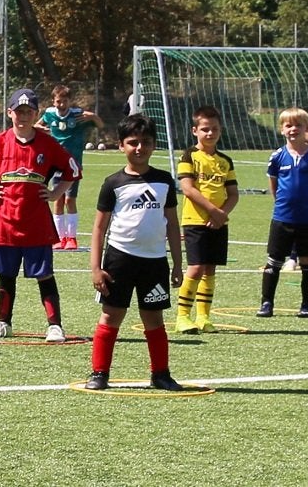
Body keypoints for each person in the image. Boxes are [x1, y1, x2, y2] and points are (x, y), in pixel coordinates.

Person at [0, 88, 79, 341]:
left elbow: (72, 170)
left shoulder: (47, 144)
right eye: (19, 112)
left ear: (36, 114)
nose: (23, 116)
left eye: (28, 112)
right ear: (10, 113)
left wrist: (54, 193)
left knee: (44, 274)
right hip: (6, 223)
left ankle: (54, 326)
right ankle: (2, 323)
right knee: (6, 274)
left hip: (37, 224)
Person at [86, 116, 186, 391]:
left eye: (146, 142)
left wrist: (178, 264)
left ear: (154, 145)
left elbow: (172, 224)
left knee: (154, 319)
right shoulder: (113, 183)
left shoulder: (164, 181)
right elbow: (98, 228)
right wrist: (96, 268)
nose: (139, 147)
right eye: (133, 142)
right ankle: (99, 373)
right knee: (111, 315)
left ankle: (161, 374)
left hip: (154, 262)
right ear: (121, 146)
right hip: (120, 259)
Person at [173, 106, 237, 333]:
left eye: (215, 129)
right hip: (195, 221)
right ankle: (182, 317)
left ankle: (203, 316)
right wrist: (214, 211)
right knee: (196, 267)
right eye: (205, 129)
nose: (210, 133)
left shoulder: (225, 161)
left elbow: (233, 194)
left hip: (218, 223)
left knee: (210, 268)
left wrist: (222, 214)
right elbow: (188, 189)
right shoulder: (189, 155)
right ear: (195, 130)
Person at [258, 109, 308, 318]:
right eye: (288, 125)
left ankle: (307, 305)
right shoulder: (277, 156)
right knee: (274, 261)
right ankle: (267, 303)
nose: (293, 129)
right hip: (282, 217)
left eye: (298, 125)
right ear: (282, 130)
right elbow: (274, 184)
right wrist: (283, 203)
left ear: (306, 129)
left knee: (307, 261)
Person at [41, 86, 97, 248]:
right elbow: (37, 126)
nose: (61, 104)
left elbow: (99, 124)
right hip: (55, 165)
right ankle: (59, 238)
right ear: (54, 101)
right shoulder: (50, 114)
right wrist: (38, 128)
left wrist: (93, 116)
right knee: (57, 199)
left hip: (73, 165)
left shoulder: (77, 115)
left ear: (70, 102)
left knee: (70, 199)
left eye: (65, 101)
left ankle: (71, 238)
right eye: (58, 101)